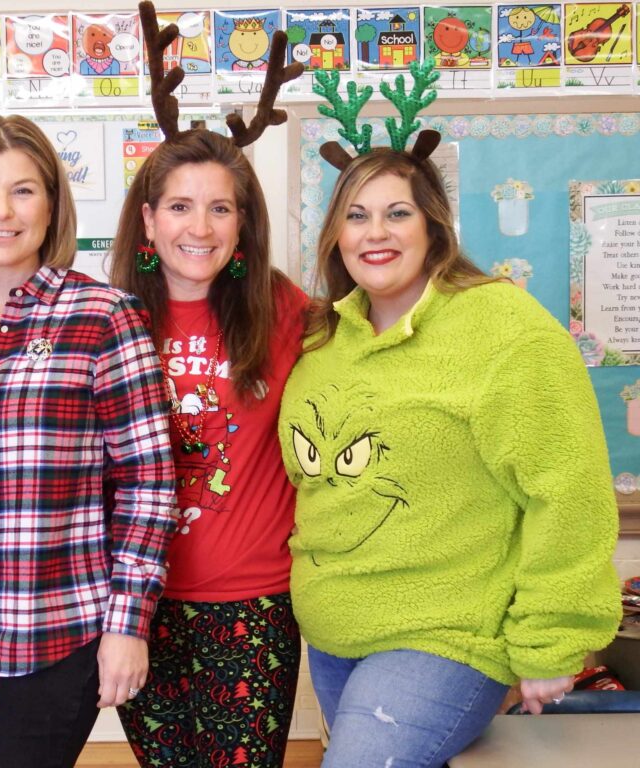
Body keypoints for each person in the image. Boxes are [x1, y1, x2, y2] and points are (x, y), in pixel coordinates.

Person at [277, 146, 622, 767]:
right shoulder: (323, 337)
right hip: (332, 634)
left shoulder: (502, 327)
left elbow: (568, 487)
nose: (375, 233)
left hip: (446, 634)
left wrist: (553, 639)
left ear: (435, 225)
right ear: (336, 234)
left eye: (397, 213)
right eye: (356, 216)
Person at [0, 114, 177, 768]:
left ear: (52, 205)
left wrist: (127, 624)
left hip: (50, 610)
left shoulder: (104, 316)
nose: (2, 211)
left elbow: (149, 483)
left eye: (23, 190)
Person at [109, 120, 309, 765]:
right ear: (147, 220)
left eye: (220, 208)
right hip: (140, 604)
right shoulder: (109, 319)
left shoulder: (284, 310)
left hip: (252, 604)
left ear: (243, 223)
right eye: (179, 206)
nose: (199, 228)